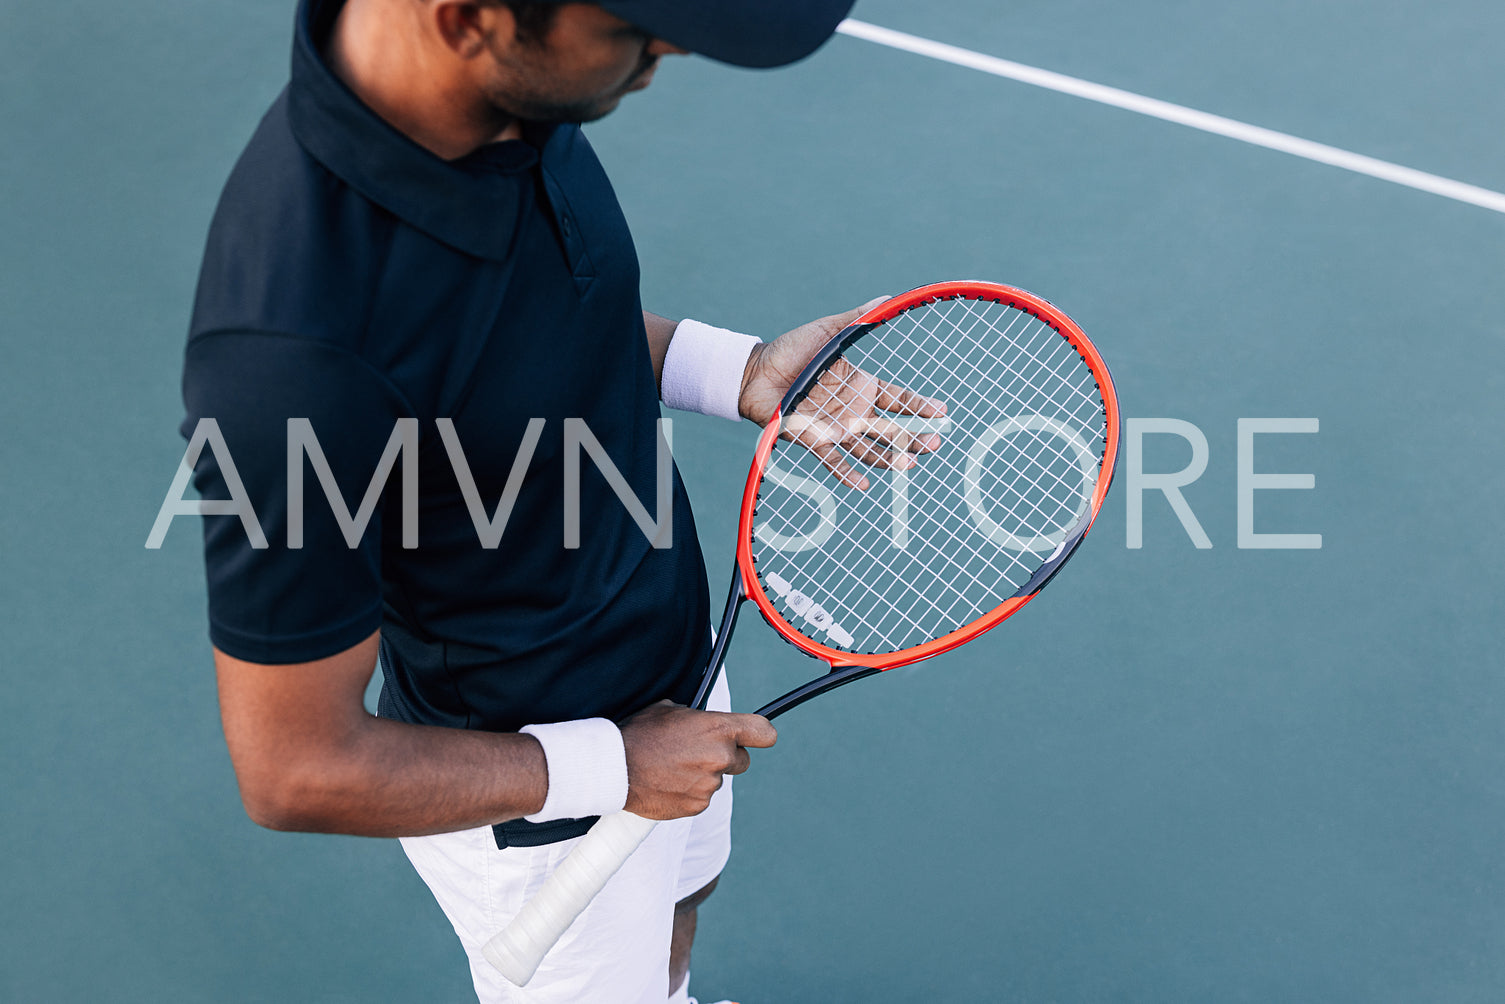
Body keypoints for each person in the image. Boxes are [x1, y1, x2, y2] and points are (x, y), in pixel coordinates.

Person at [177, 1, 929, 1001]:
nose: (666, 51)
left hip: (665, 668)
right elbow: (294, 766)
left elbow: (524, 338)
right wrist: (610, 765)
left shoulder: (510, 100)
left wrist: (735, 368)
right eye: (636, 28)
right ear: (468, 17)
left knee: (678, 904)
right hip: (540, 796)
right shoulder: (297, 364)